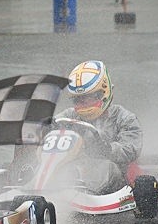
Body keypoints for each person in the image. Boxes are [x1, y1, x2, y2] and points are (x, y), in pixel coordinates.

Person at [54, 60, 144, 191]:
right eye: (78, 99)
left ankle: (85, 193)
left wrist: (106, 148)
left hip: (116, 181)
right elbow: (51, 125)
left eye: (88, 98)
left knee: (106, 167)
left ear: (103, 93)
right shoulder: (69, 116)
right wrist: (43, 129)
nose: (83, 103)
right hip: (75, 173)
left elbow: (131, 150)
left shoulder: (125, 118)